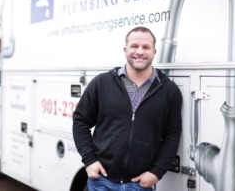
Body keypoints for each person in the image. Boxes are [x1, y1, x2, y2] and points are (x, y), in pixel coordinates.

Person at [72, 26, 182, 191]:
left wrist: (156, 172)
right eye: (134, 46)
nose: (139, 51)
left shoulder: (169, 90)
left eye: (146, 47)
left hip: (140, 184)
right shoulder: (102, 83)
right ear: (125, 50)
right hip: (102, 181)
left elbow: (172, 135)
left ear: (154, 51)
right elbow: (80, 121)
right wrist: (89, 161)